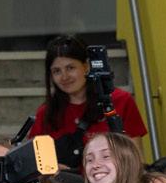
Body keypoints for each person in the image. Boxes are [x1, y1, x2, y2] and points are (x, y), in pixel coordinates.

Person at [27, 35, 148, 170]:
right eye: (57, 71)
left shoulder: (120, 101)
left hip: (114, 181)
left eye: (70, 68)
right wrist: (53, 169)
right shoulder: (46, 113)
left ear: (86, 66)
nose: (64, 76)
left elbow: (136, 160)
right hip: (65, 182)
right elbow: (36, 165)